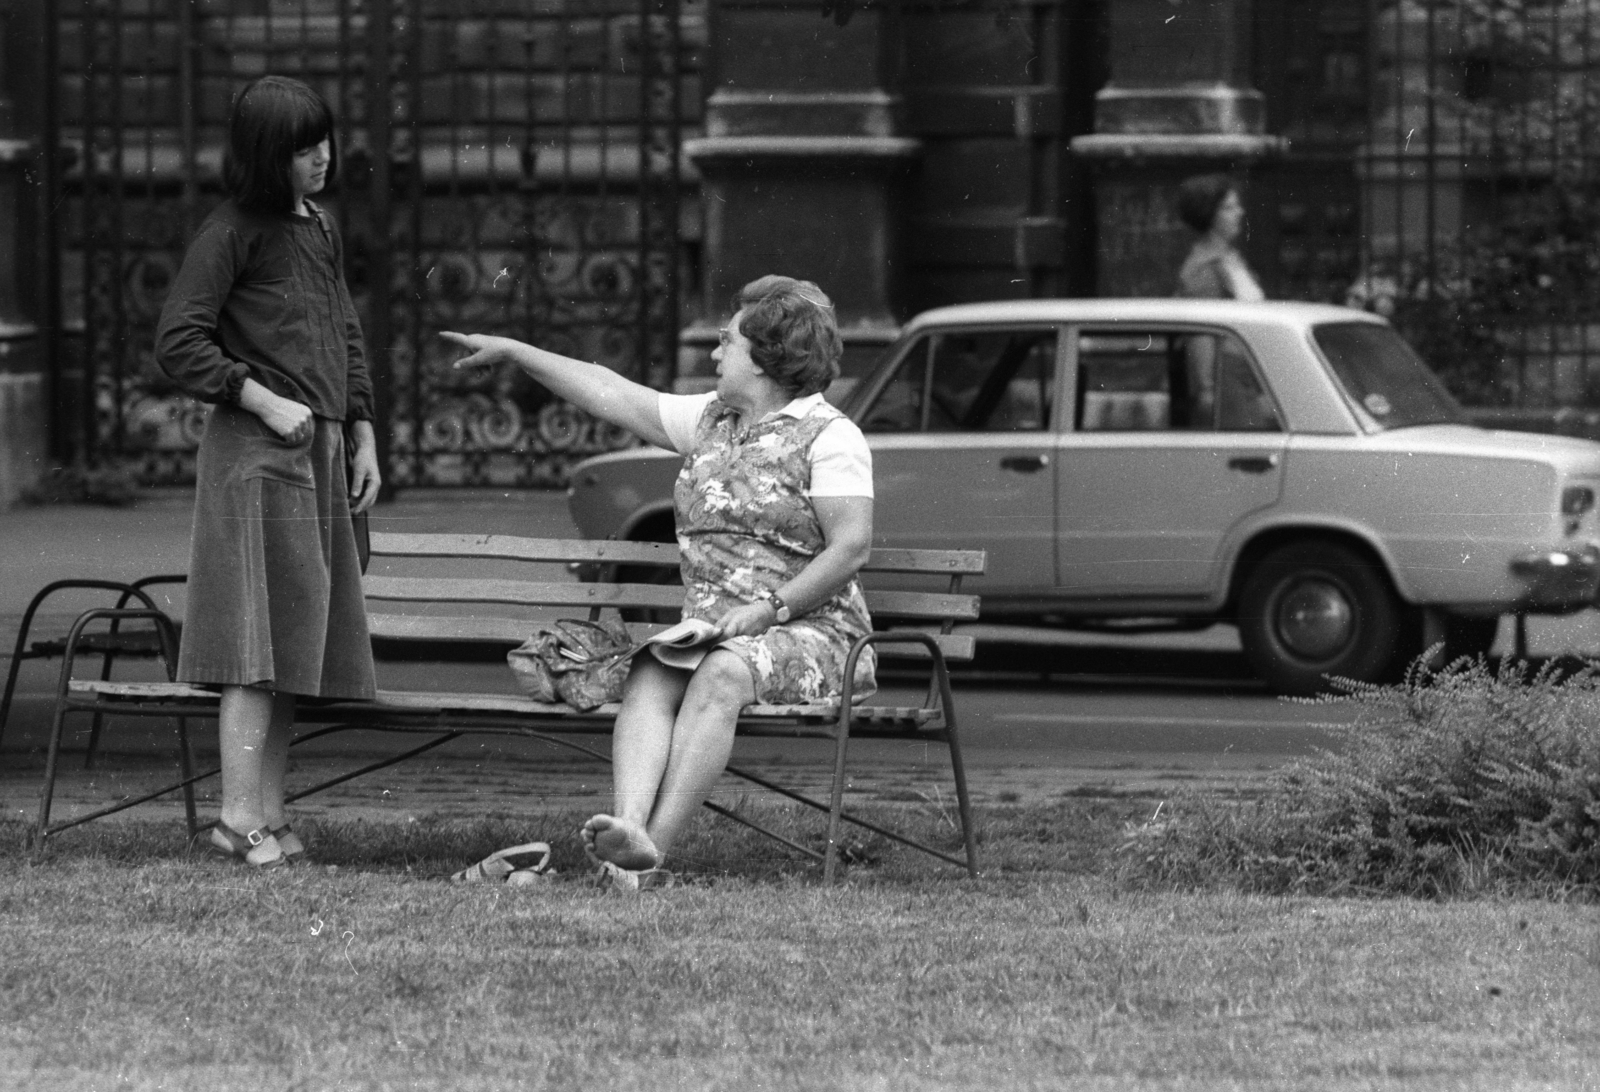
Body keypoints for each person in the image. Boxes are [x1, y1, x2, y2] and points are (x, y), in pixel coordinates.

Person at [441, 275, 875, 884]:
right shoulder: (711, 421)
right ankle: (629, 829)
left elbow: (851, 547)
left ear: (767, 358)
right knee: (653, 665)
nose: (715, 353)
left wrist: (770, 609)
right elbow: (609, 393)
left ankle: (649, 856)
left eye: (728, 342)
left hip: (814, 634)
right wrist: (517, 352)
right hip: (715, 633)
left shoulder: (832, 437)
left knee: (724, 671)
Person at [155, 75, 380, 868]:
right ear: (265, 155)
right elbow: (178, 341)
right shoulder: (230, 232)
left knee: (295, 645)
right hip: (256, 459)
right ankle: (235, 820)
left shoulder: (318, 225)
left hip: (316, 456)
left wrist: (361, 433)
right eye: (302, 149)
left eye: (324, 142)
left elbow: (343, 332)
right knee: (255, 645)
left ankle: (270, 816)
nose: (322, 158)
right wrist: (261, 399)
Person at [1174, 173, 1264, 302]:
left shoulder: (1230, 256)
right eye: (1229, 208)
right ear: (1209, 213)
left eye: (1237, 205)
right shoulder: (1203, 270)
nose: (1239, 212)